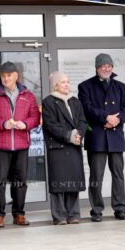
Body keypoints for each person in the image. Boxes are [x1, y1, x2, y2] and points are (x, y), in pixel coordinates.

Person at [0, 61, 40, 227]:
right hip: (2, 144)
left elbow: (35, 117)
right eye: (3, 75)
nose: (5, 78)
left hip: (22, 144)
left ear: (16, 76)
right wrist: (2, 124)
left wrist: (26, 124)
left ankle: (19, 214)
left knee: (20, 181)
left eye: (8, 75)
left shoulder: (28, 95)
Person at [78, 53, 125, 221]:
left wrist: (117, 119)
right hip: (97, 137)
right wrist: (106, 118)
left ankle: (120, 208)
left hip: (115, 136)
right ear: (97, 68)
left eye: (109, 66)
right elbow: (86, 108)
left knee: (118, 174)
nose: (107, 68)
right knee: (96, 176)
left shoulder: (120, 86)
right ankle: (97, 210)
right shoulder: (85, 86)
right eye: (103, 66)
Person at [42, 71, 87, 225]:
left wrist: (79, 134)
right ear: (55, 85)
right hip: (58, 147)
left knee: (73, 181)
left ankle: (73, 214)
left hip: (74, 146)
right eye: (63, 82)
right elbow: (50, 125)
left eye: (68, 81)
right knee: (59, 183)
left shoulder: (75, 101)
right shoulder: (48, 102)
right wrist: (70, 136)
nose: (67, 84)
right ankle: (59, 216)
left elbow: (82, 121)